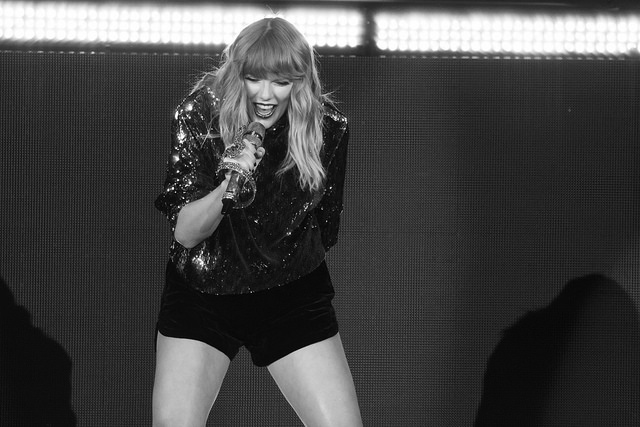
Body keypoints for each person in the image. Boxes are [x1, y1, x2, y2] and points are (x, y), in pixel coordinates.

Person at [152, 17, 363, 426]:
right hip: (203, 292)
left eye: (281, 82)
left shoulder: (327, 128)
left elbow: (325, 225)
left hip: (291, 295)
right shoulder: (200, 116)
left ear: (300, 80)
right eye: (254, 79)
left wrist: (279, 256)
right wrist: (230, 183)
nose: (266, 96)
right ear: (238, 74)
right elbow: (186, 233)